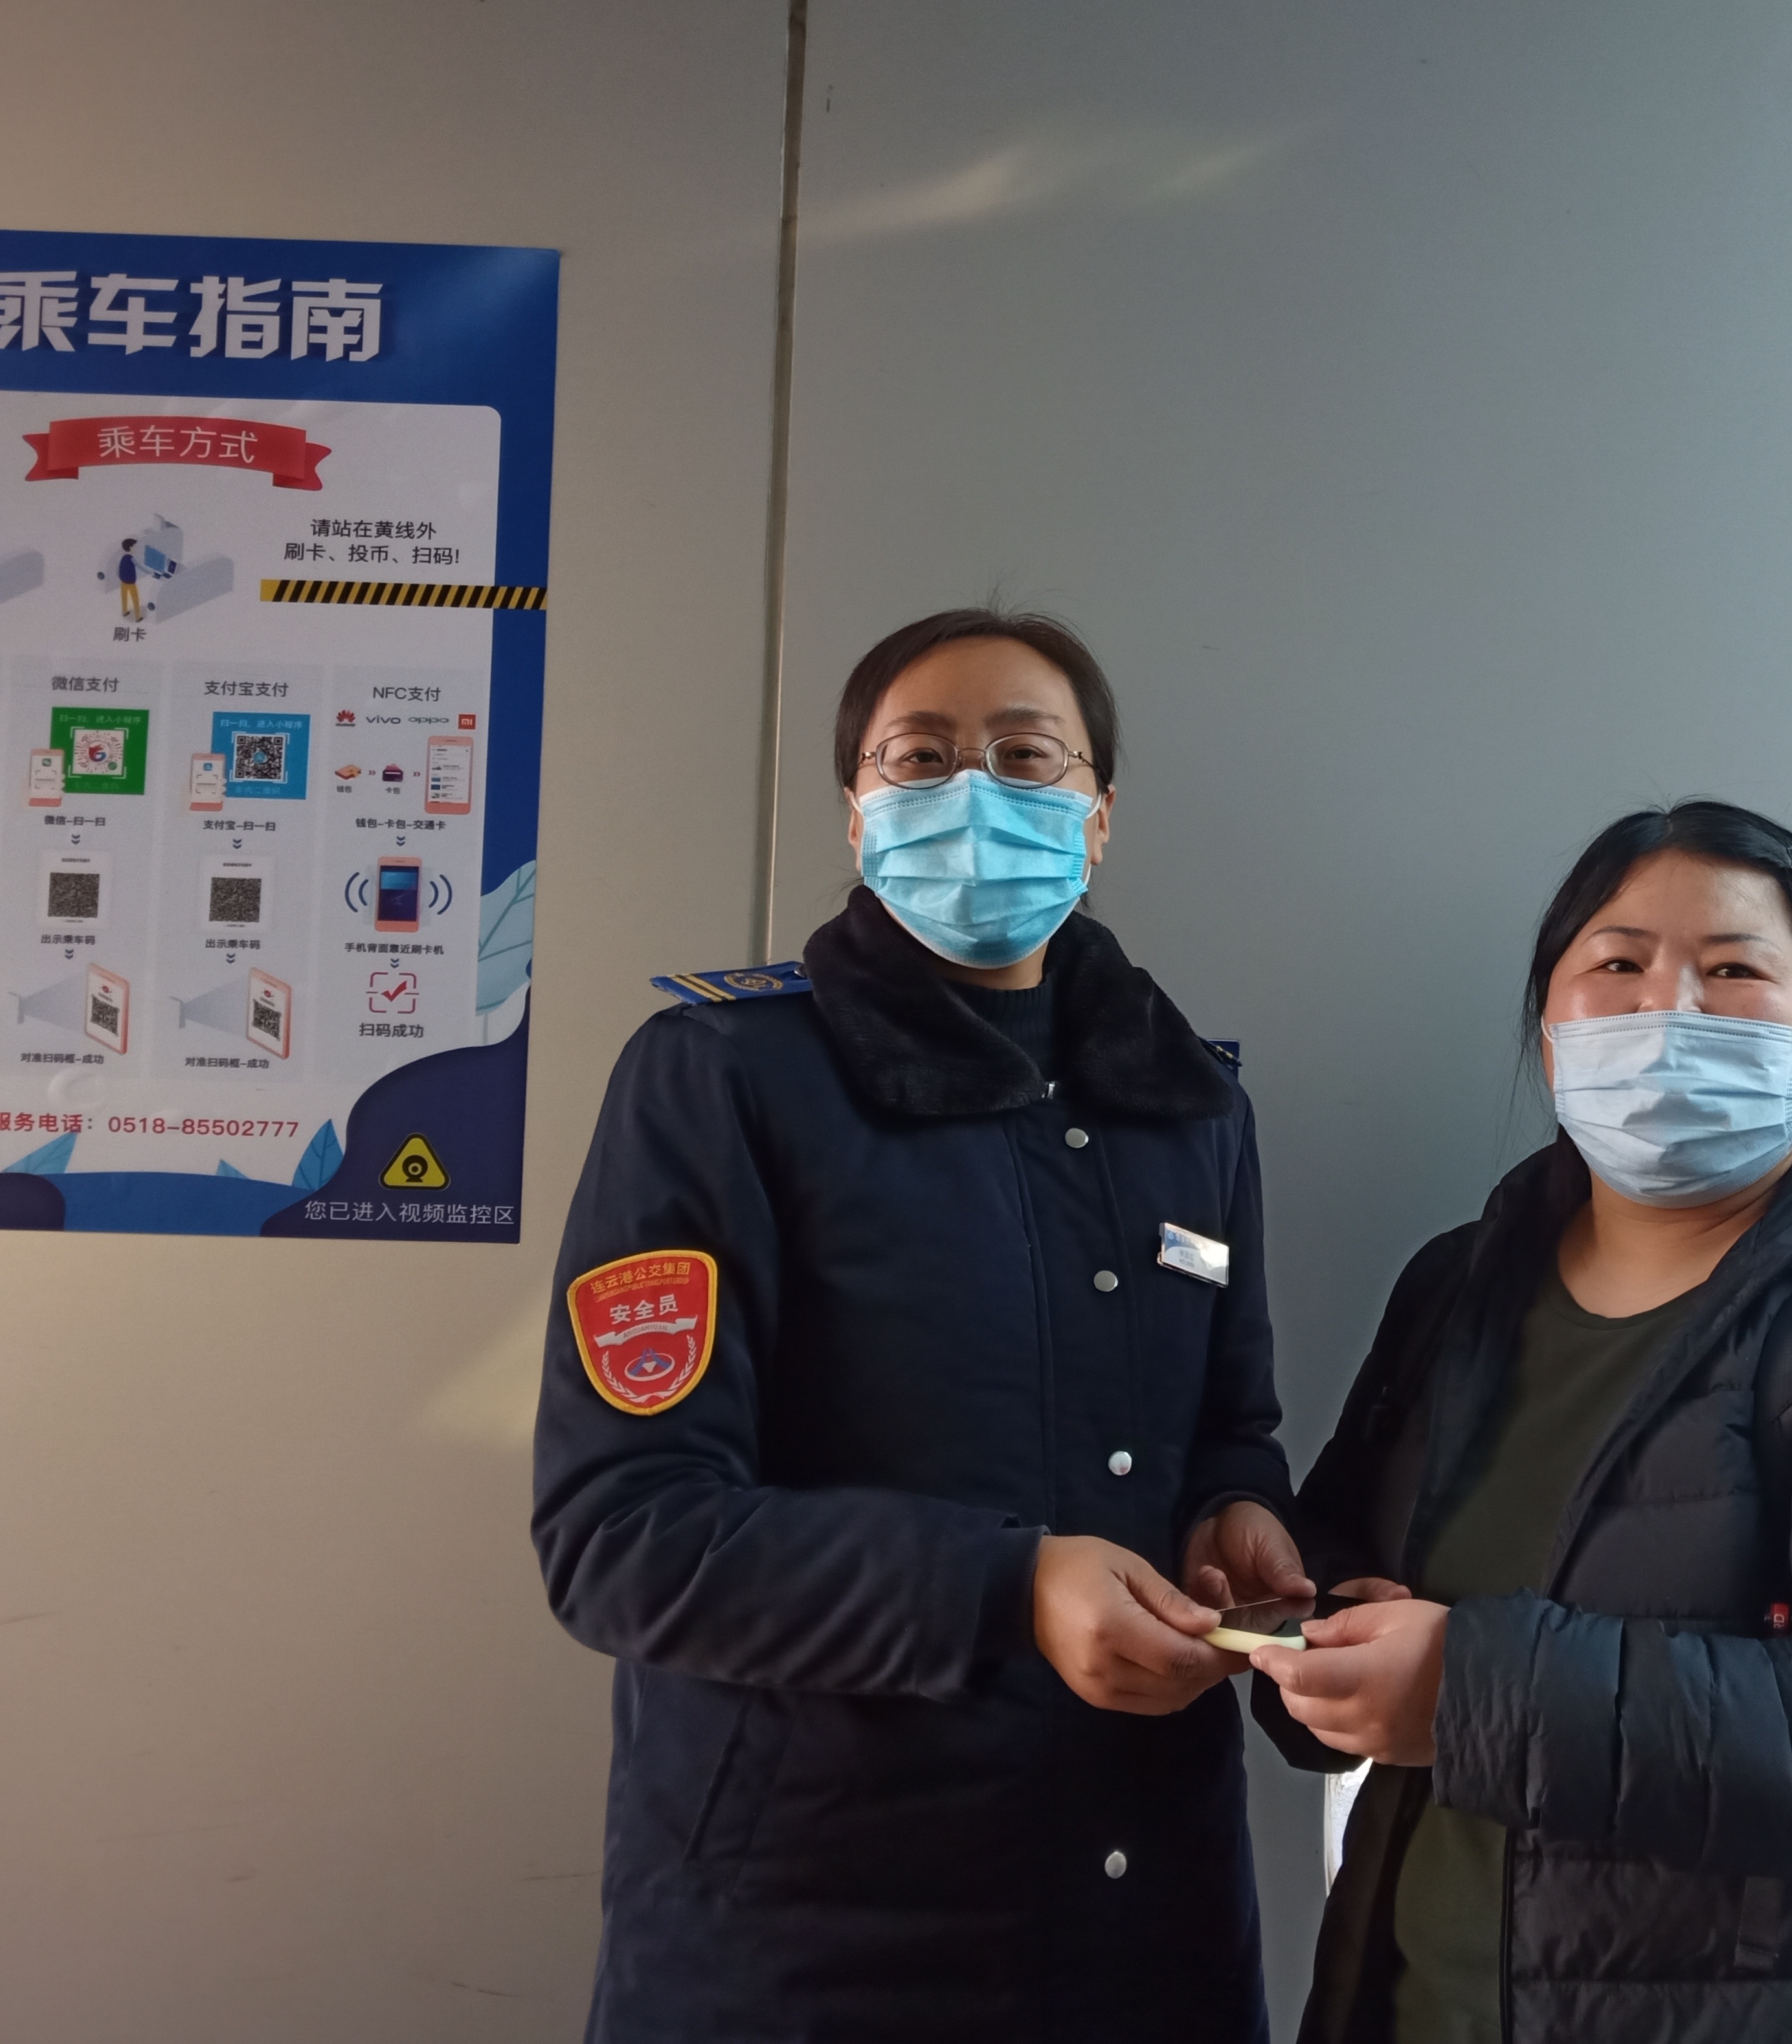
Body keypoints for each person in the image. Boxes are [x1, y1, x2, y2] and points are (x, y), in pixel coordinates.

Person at [533, 607, 1302, 2044]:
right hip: (814, 1938)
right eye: (923, 758)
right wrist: (1007, 1589)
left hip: (1150, 1916)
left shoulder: (1190, 1104)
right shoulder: (722, 1079)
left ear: (1099, 814)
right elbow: (621, 1535)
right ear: (857, 808)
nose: (974, 793)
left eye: (1025, 755)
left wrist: (1236, 1512)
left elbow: (1230, 1428)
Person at [1253, 800, 1792, 2044]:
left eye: (1734, 971)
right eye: (1618, 965)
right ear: (1550, 1028)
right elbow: (1355, 1561)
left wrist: (1464, 1690)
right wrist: (1295, 1631)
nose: (1670, 1008)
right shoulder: (1460, 1286)